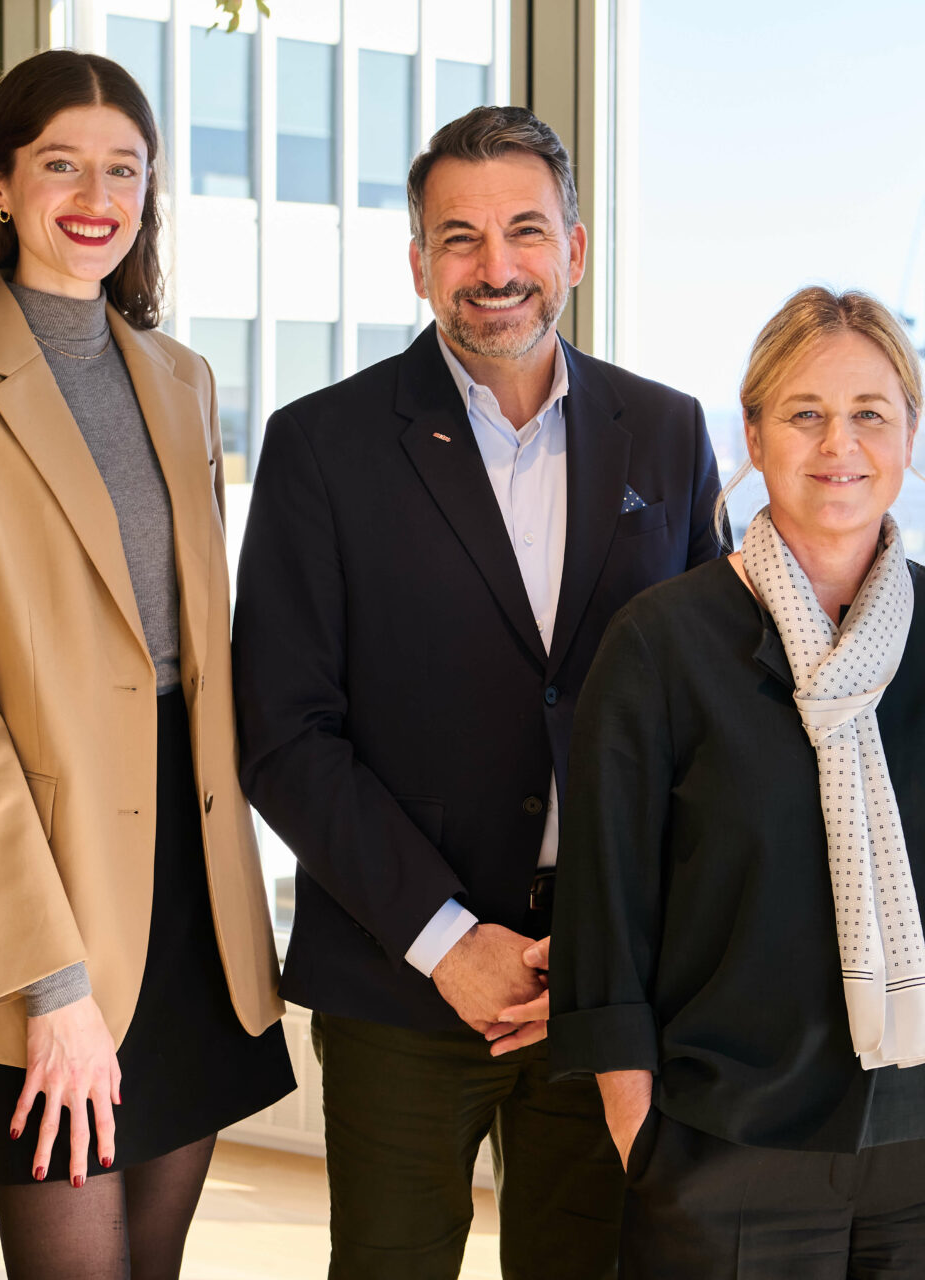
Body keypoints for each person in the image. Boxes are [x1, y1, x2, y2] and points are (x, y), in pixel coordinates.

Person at [231, 105, 725, 1279]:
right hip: (403, 973)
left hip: (602, 977)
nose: (495, 269)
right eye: (459, 238)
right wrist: (449, 940)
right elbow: (283, 733)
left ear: (575, 248)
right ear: (418, 263)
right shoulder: (322, 444)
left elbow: (708, 712)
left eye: (523, 231)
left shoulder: (666, 430)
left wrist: (610, 939)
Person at [0, 50, 294, 1278]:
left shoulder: (180, 377)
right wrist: (52, 985)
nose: (95, 194)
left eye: (124, 169)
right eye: (61, 164)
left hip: (195, 875)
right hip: (47, 883)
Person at [549, 286, 925, 1279]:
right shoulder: (662, 642)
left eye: (870, 411)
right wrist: (636, 1123)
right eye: (805, 412)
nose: (840, 444)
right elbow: (606, 900)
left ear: (909, 433)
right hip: (729, 1138)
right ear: (753, 430)